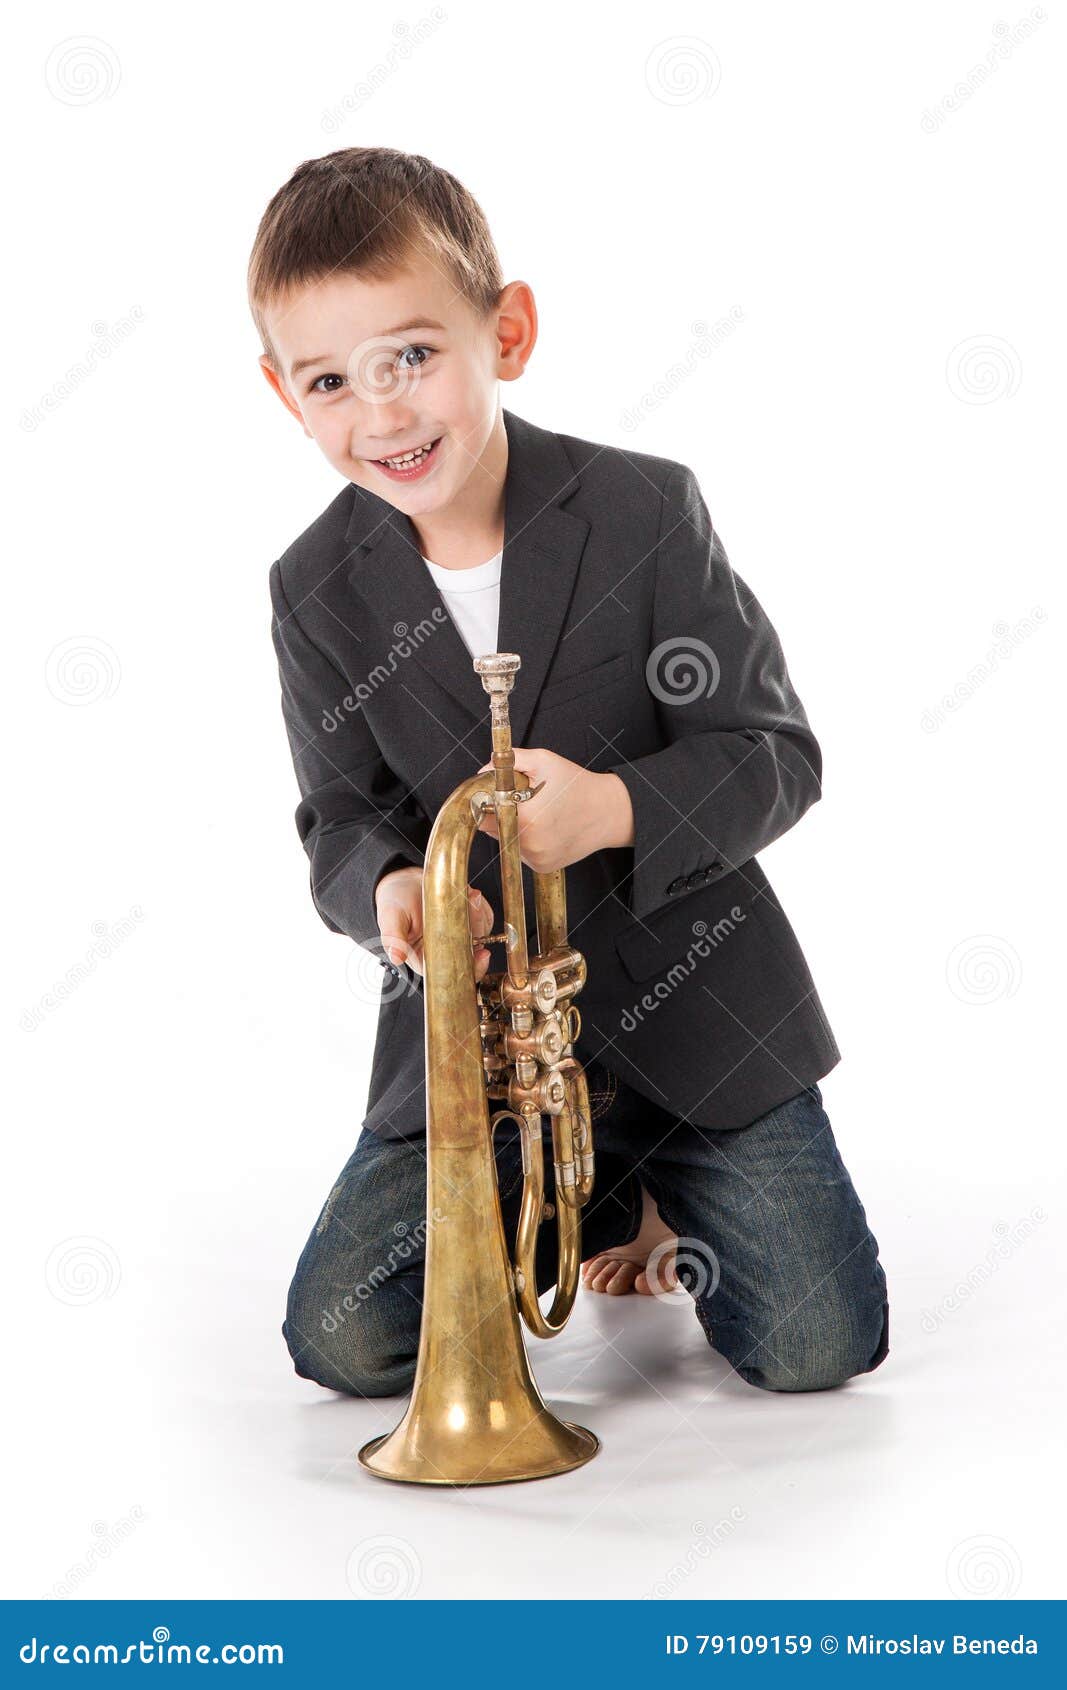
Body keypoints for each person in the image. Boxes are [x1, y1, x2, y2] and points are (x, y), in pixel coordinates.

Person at [250, 146, 889, 1399]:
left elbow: (774, 753)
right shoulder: (311, 585)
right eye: (330, 380)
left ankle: (651, 1183)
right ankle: (591, 1202)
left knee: (816, 1346)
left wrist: (613, 809)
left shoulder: (643, 511)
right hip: (482, 1052)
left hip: (699, 1022)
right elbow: (336, 814)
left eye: (412, 356)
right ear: (284, 396)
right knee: (345, 1341)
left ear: (510, 330)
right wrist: (384, 887)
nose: (380, 413)